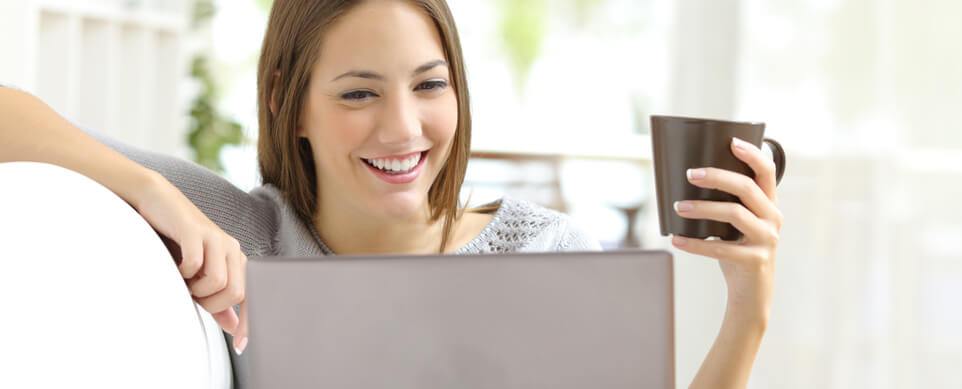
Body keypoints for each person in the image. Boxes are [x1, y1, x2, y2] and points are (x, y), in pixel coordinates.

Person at [0, 0, 784, 387]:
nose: (403, 130)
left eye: (429, 85)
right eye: (357, 94)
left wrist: (746, 313)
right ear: (286, 102)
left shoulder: (550, 252)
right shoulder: (246, 231)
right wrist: (147, 191)